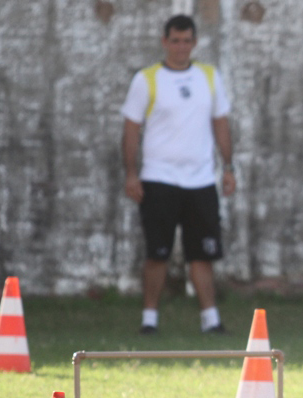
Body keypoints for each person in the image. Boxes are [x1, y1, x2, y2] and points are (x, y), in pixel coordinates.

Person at [121, 14, 235, 334]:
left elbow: (221, 124)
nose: (181, 47)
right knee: (158, 252)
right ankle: (149, 319)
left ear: (195, 43)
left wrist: (228, 167)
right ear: (164, 42)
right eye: (175, 41)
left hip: (200, 179)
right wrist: (132, 173)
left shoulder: (210, 77)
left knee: (202, 253)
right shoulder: (147, 79)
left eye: (187, 41)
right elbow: (131, 129)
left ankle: (211, 319)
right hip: (159, 178)